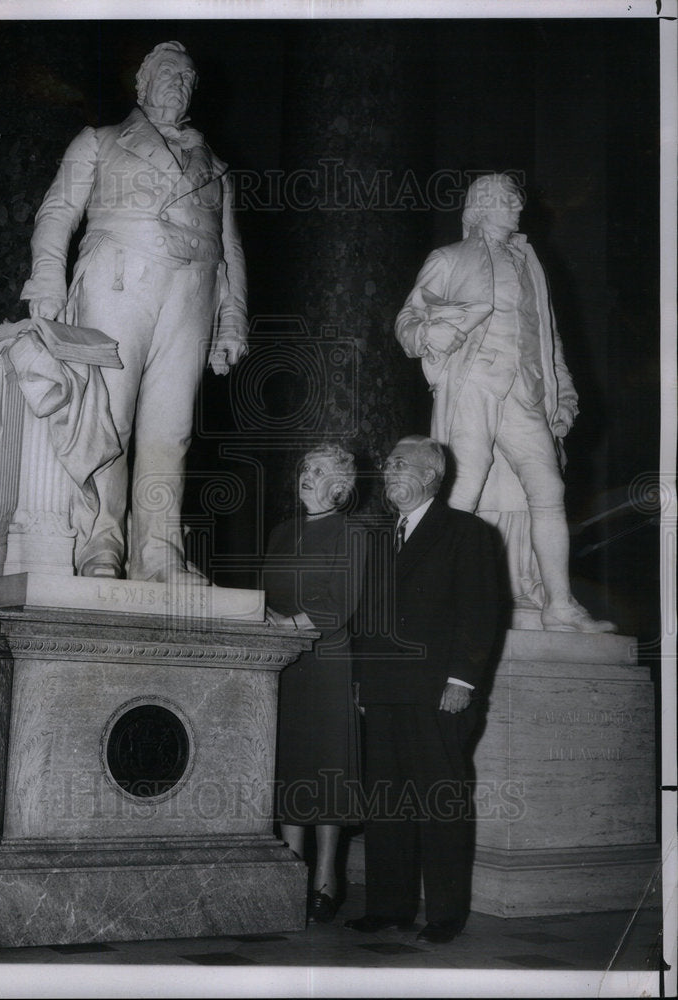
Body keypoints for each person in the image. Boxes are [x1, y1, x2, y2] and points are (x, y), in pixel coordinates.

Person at [20, 41, 248, 582]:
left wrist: (233, 318)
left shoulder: (216, 167)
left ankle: (159, 553)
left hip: (192, 294)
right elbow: (57, 212)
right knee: (110, 417)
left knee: (172, 430)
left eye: (187, 77)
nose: (178, 82)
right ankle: (101, 543)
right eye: (167, 72)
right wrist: (47, 277)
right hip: (117, 281)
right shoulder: (100, 141)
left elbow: (231, 249)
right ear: (141, 84)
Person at [394, 173, 614, 632]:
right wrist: (428, 333)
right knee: (464, 487)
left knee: (548, 489)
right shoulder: (449, 258)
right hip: (475, 383)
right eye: (508, 200)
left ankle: (558, 604)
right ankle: (436, 600)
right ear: (482, 205)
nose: (518, 207)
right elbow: (407, 321)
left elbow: (547, 336)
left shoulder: (531, 263)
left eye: (517, 200)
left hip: (525, 391)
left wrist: (564, 392)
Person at [346, 435, 499, 943]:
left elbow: (479, 612)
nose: (388, 471)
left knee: (440, 803)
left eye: (399, 463)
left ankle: (446, 915)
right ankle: (389, 907)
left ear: (431, 474)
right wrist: (363, 681)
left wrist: (462, 679)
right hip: (384, 691)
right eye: (388, 464)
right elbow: (368, 618)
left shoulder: (466, 532)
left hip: (438, 692)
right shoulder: (380, 538)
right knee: (385, 804)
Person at [262, 444, 364, 923]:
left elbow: (341, 604)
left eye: (320, 470)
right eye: (305, 468)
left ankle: (325, 879)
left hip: (325, 662)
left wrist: (291, 624)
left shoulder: (351, 533)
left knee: (325, 768)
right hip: (281, 663)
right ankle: (289, 872)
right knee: (289, 765)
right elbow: (265, 592)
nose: (307, 474)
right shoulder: (282, 532)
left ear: (340, 486)